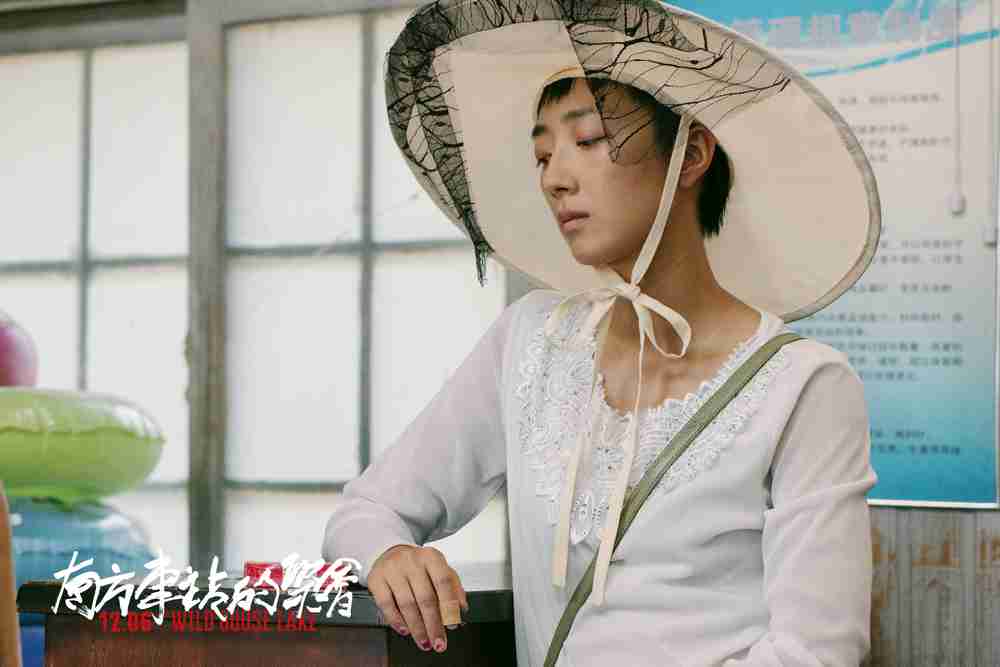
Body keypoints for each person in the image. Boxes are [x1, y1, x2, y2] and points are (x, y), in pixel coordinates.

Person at [324, 2, 881, 665]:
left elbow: (817, 651)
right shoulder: (530, 342)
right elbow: (364, 511)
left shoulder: (805, 386)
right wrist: (390, 555)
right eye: (542, 154)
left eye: (588, 141)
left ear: (692, 154)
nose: (555, 179)